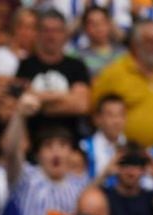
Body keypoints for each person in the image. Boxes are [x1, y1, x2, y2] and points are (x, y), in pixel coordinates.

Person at [91, 18, 153, 148]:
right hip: (127, 157)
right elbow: (94, 111)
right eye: (150, 41)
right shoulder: (113, 74)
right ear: (135, 46)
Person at [15, 9, 91, 141]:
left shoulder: (76, 66)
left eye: (57, 31)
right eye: (46, 30)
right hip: (34, 141)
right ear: (38, 33)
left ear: (65, 34)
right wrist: (66, 96)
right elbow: (22, 102)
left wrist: (39, 100)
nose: (51, 36)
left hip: (70, 141)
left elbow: (81, 105)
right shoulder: (26, 65)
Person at [78, 94, 127, 180]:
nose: (116, 121)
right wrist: (106, 174)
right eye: (110, 115)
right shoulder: (84, 147)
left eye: (120, 115)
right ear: (97, 119)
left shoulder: (130, 148)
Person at [70, 6, 123, 77]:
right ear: (84, 27)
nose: (98, 27)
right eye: (92, 23)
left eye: (102, 22)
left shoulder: (124, 54)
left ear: (110, 25)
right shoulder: (76, 56)